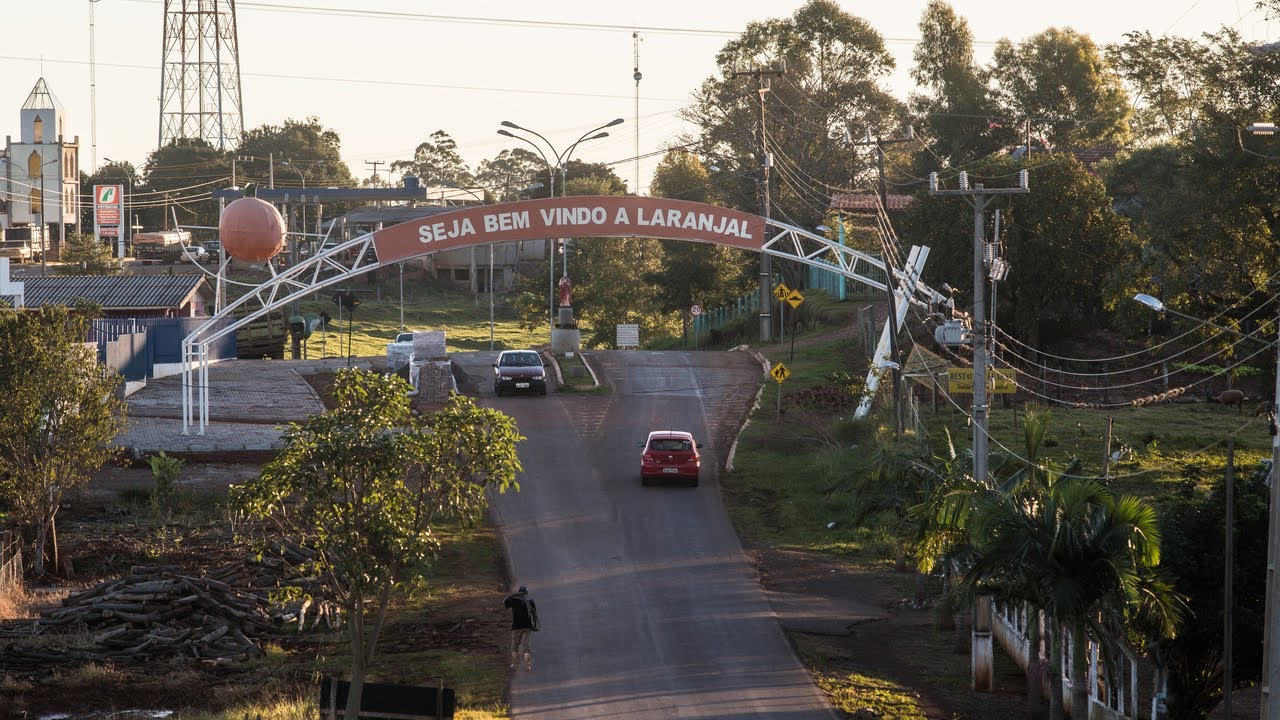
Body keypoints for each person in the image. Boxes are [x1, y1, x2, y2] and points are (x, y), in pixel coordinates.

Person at [504, 585, 539, 671]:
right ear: (526, 593)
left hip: (516, 627)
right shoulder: (530, 601)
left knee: (515, 644)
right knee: (526, 644)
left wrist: (512, 595)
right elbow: (534, 615)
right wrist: (534, 625)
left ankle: (515, 665)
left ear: (519, 592)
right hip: (527, 626)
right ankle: (527, 666)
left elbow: (505, 602)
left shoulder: (513, 600)